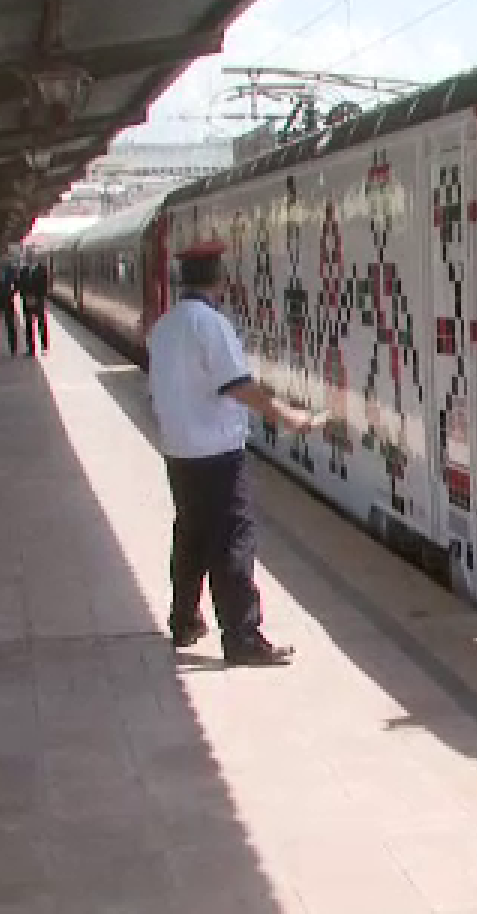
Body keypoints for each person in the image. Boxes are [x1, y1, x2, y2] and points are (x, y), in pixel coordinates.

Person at [147, 239, 325, 666]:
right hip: (216, 453)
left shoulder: (167, 324)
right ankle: (242, 636)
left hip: (179, 450)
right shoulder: (210, 325)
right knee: (232, 538)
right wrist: (286, 415)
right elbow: (234, 384)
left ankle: (184, 620)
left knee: (190, 535)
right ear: (220, 281)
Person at [18, 255, 50, 355]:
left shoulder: (42, 270)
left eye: (32, 256)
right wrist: (25, 296)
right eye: (29, 257)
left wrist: (37, 297)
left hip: (38, 300)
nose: (30, 259)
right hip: (26, 300)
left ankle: (44, 347)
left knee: (41, 323)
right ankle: (31, 349)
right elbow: (20, 285)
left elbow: (44, 285)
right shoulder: (23, 271)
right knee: (28, 324)